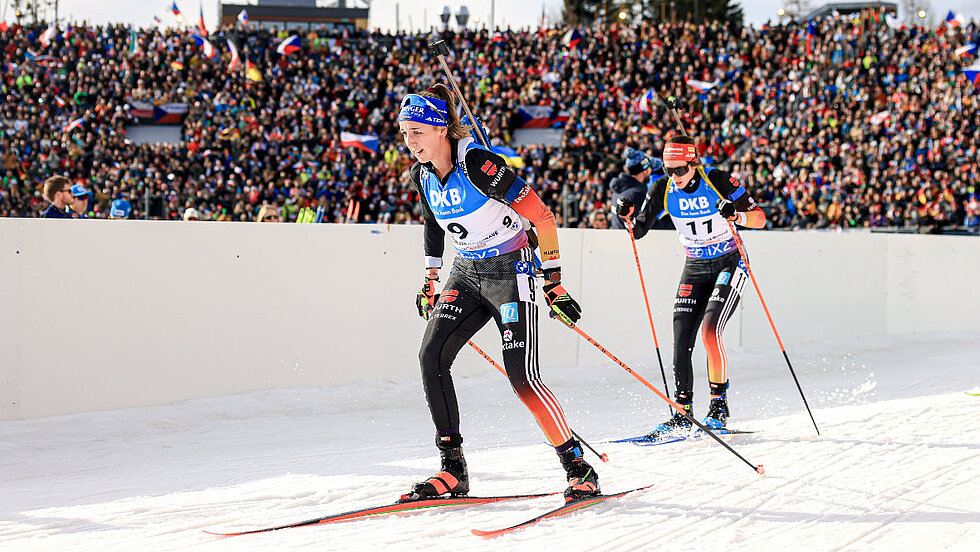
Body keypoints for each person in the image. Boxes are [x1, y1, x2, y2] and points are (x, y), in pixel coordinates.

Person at [399, 84, 598, 503]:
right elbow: (434, 225)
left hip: (512, 268)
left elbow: (542, 217)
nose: (408, 141)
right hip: (467, 271)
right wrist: (430, 278)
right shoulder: (421, 174)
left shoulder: (479, 164)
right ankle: (452, 468)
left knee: (522, 377)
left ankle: (578, 467)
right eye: (404, 132)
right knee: (430, 357)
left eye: (416, 131)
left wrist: (554, 281)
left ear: (440, 130)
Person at [615, 135, 766, 438]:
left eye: (680, 170)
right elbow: (639, 230)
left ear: (694, 164)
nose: (675, 177)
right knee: (681, 335)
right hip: (695, 265)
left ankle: (718, 408)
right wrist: (626, 216)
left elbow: (760, 219)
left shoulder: (718, 181)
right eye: (669, 170)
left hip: (729, 260)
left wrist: (737, 215)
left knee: (710, 331)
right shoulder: (664, 187)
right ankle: (682, 412)